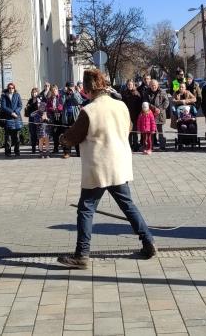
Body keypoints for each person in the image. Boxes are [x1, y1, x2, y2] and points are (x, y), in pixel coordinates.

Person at [57, 69, 157, 268]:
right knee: (128, 206)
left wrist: (62, 139)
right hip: (119, 163)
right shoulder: (120, 105)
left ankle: (81, 254)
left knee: (85, 209)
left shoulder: (89, 110)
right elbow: (128, 127)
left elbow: (72, 137)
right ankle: (148, 242)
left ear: (87, 89)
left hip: (99, 166)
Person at [142, 79, 169, 150]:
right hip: (150, 114)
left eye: (155, 85)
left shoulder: (162, 92)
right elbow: (145, 102)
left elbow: (166, 102)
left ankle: (162, 146)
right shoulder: (146, 92)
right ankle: (151, 146)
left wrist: (160, 109)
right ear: (150, 86)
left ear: (157, 85)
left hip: (160, 114)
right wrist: (154, 108)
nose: (153, 87)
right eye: (152, 85)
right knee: (151, 131)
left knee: (160, 130)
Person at [0, 83, 23, 157]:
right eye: (9, 88)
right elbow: (3, 107)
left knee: (17, 137)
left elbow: (20, 105)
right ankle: (8, 152)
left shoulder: (17, 95)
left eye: (12, 88)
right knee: (8, 137)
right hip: (8, 118)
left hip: (16, 117)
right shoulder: (4, 96)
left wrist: (16, 112)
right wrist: (11, 113)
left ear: (14, 88)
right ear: (8, 88)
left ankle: (17, 151)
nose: (11, 89)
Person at [62, 82, 84, 158]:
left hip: (75, 117)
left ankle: (79, 152)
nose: (70, 89)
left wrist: (73, 93)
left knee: (77, 135)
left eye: (71, 87)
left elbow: (79, 102)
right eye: (69, 88)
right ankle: (67, 152)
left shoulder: (76, 93)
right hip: (67, 117)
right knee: (67, 136)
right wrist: (64, 93)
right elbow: (62, 103)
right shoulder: (64, 94)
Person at [121, 79, 143, 151]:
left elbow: (140, 105)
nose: (129, 86)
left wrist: (139, 114)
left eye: (131, 84)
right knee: (129, 132)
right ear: (127, 85)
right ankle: (129, 146)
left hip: (135, 115)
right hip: (127, 115)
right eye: (128, 85)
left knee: (135, 132)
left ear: (133, 85)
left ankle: (136, 145)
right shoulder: (124, 93)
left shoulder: (137, 93)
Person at [46, 85, 64, 154]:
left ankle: (64, 147)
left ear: (57, 90)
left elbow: (62, 105)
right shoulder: (49, 99)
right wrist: (52, 109)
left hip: (60, 117)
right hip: (53, 117)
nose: (54, 92)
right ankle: (55, 148)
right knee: (54, 133)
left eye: (55, 90)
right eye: (52, 90)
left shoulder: (61, 97)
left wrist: (57, 108)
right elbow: (47, 107)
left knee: (62, 132)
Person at [25, 87, 42, 154]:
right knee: (32, 134)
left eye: (35, 92)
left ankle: (40, 148)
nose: (34, 94)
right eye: (33, 92)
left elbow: (41, 109)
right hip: (31, 118)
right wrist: (27, 107)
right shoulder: (30, 100)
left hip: (37, 118)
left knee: (39, 133)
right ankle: (33, 148)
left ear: (37, 93)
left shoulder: (39, 99)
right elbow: (28, 110)